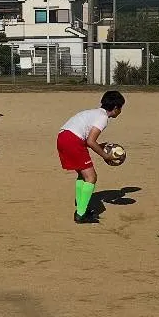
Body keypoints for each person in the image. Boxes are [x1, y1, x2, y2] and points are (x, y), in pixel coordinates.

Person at [56, 90, 126, 224]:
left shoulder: (93, 112)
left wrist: (99, 146)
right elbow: (90, 141)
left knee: (83, 175)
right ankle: (81, 214)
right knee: (91, 177)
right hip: (72, 140)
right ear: (116, 108)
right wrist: (106, 156)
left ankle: (81, 204)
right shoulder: (103, 117)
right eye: (121, 108)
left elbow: (85, 136)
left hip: (63, 137)